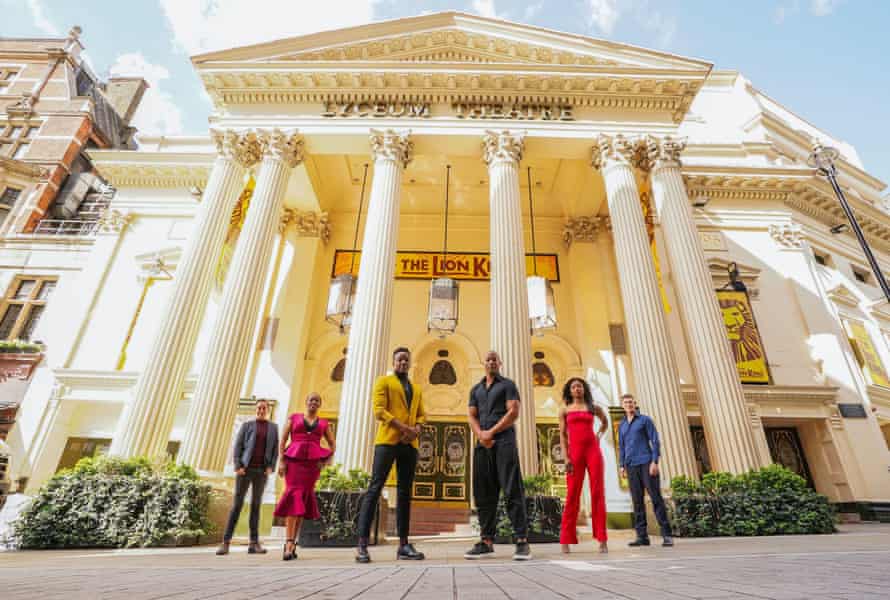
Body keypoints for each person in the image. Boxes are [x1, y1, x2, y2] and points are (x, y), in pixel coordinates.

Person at [355, 347, 427, 563]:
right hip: (387, 441)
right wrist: (404, 427)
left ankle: (403, 545)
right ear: (394, 362)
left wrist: (417, 429)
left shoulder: (416, 388)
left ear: (409, 362)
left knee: (405, 493)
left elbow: (422, 415)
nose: (403, 363)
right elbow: (379, 410)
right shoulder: (383, 382)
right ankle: (362, 545)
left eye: (406, 360)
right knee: (375, 488)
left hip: (409, 444)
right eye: (399, 360)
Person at [464, 350, 531, 561]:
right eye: (488, 359)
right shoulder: (476, 389)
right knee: (484, 494)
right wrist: (481, 435)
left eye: (494, 359)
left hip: (504, 442)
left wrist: (491, 433)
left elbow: (513, 412)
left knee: (511, 489)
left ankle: (521, 541)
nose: (491, 361)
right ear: (483, 364)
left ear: (499, 363)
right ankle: (486, 542)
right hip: (482, 445)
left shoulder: (508, 385)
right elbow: (471, 415)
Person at [274, 392, 335, 561]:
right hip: (293, 463)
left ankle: (293, 542)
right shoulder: (293, 418)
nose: (313, 403)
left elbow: (332, 444)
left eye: (317, 400)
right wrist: (281, 461)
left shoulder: (323, 423)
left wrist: (325, 461)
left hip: (311, 467)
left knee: (303, 501)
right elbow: (283, 440)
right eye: (311, 400)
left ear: (319, 404)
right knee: (294, 496)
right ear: (306, 402)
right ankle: (288, 542)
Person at [217, 397, 279, 556]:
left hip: (261, 472)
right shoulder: (247, 426)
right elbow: (238, 446)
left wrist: (271, 466)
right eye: (259, 408)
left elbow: (275, 450)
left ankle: (254, 543)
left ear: (268, 410)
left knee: (256, 506)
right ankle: (225, 542)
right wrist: (238, 465)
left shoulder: (273, 428)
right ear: (255, 409)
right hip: (245, 470)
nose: (261, 410)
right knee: (237, 505)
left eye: (264, 408)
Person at [558, 377, 609, 554]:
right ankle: (565, 538)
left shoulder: (592, 407)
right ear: (569, 390)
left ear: (584, 389)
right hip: (575, 453)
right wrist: (566, 458)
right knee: (572, 494)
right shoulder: (564, 409)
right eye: (574, 386)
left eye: (580, 386)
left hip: (592, 451)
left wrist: (598, 435)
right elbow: (563, 436)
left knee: (597, 492)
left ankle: (602, 538)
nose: (577, 389)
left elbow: (605, 422)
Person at [618, 393, 674, 547]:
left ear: (635, 404)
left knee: (656, 498)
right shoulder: (622, 425)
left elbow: (655, 441)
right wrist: (621, 465)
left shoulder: (645, 420)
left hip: (646, 463)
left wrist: (655, 461)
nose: (629, 404)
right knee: (637, 502)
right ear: (622, 406)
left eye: (631, 402)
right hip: (630, 466)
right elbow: (621, 447)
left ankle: (667, 535)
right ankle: (642, 537)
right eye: (626, 402)